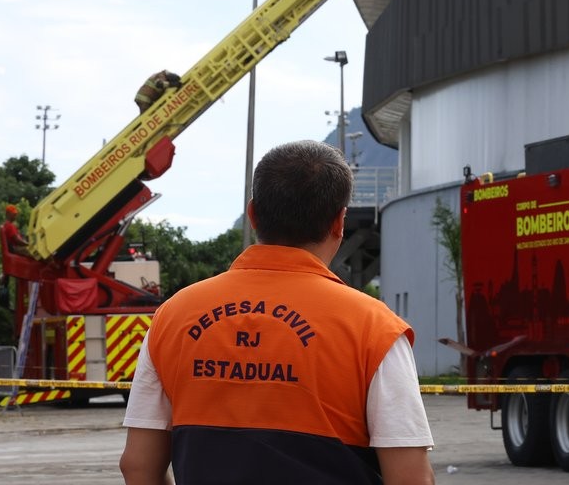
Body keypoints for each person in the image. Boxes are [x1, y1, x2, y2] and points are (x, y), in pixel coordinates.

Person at [120, 139, 435, 485]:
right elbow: (410, 477)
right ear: (339, 222)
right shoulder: (375, 330)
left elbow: (138, 467)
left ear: (253, 214)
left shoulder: (172, 317)